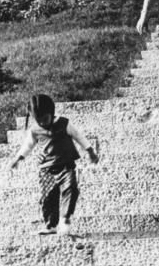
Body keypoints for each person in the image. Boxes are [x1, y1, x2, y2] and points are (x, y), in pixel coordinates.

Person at [8, 92, 97, 234]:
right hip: (46, 169)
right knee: (47, 197)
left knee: (71, 189)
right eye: (39, 120)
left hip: (66, 166)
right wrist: (18, 158)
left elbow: (78, 135)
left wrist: (90, 150)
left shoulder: (64, 123)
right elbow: (28, 145)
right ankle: (51, 225)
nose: (43, 123)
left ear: (52, 112)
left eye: (45, 118)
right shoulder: (35, 130)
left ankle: (65, 217)